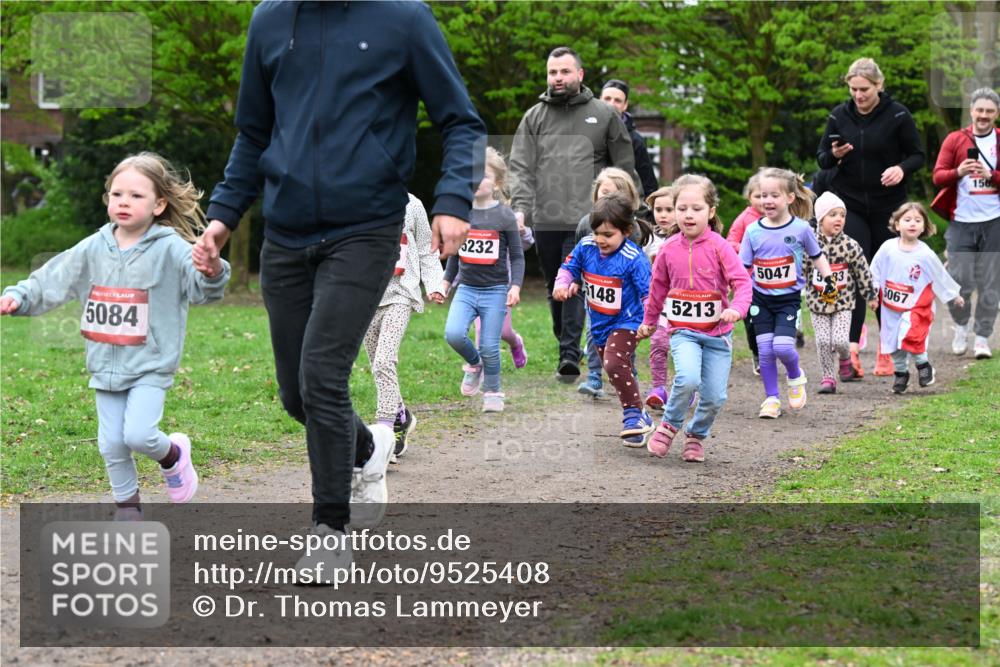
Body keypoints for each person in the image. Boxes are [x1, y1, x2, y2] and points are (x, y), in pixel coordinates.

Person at [193, 1, 485, 574]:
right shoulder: (269, 21)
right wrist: (224, 216)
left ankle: (330, 529)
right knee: (296, 394)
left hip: (366, 228)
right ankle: (369, 448)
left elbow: (460, 120)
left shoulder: (404, 19)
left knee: (322, 375)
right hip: (287, 231)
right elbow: (254, 132)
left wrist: (452, 201)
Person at [1, 153, 230, 517]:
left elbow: (203, 288)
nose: (123, 201)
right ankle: (129, 511)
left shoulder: (170, 247)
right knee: (111, 445)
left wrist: (212, 269)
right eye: (116, 193)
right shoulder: (95, 246)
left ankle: (173, 454)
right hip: (104, 365)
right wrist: (20, 295)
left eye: (136, 196)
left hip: (150, 364)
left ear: (159, 204)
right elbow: (54, 277)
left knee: (138, 435)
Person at [509, 46, 637, 384]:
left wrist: (628, 211)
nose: (558, 78)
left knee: (575, 282)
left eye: (565, 72)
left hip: (589, 218)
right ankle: (567, 341)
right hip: (546, 216)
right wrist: (520, 209)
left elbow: (624, 167)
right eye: (553, 72)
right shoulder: (534, 117)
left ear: (580, 74)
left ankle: (568, 355)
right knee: (556, 285)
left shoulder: (603, 115)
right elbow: (520, 168)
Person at [816, 57, 925, 378]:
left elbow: (917, 155)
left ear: (879, 85)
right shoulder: (839, 115)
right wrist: (833, 156)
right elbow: (821, 159)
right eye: (853, 89)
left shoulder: (898, 114)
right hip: (849, 204)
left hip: (889, 206)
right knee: (855, 271)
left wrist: (901, 169)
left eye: (864, 89)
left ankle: (888, 349)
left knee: (886, 277)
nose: (858, 95)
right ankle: (851, 352)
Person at [638, 174, 752, 462]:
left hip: (718, 335)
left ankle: (696, 435)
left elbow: (742, 283)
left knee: (715, 397)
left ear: (711, 212)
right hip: (684, 331)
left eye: (697, 209)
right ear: (675, 210)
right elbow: (657, 288)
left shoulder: (719, 246)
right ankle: (668, 426)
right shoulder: (668, 249)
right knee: (687, 378)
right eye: (683, 208)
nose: (689, 215)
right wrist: (650, 320)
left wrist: (736, 309)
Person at [553, 192, 653, 447]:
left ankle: (631, 416)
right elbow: (569, 268)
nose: (600, 239)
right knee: (619, 370)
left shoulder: (634, 259)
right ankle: (641, 417)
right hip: (599, 322)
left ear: (626, 231)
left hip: (628, 321)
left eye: (608, 235)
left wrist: (649, 321)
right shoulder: (587, 246)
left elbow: (647, 294)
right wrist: (563, 284)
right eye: (597, 233)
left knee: (612, 363)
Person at [740, 168, 838, 419]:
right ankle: (771, 398)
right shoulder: (752, 231)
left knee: (783, 346)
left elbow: (817, 256)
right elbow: (743, 268)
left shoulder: (802, 228)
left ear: (790, 198)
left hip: (788, 300)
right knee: (764, 350)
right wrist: (734, 292)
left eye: (774, 195)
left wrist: (829, 279)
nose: (768, 201)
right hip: (759, 298)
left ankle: (795, 375)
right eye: (763, 195)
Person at [363, 193, 445, 464]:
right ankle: (402, 416)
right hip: (365, 298)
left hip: (401, 294)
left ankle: (384, 435)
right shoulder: (351, 198)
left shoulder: (412, 205)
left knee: (384, 362)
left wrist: (434, 284)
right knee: (376, 362)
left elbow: (425, 249)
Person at [442, 147, 524, 413]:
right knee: (453, 334)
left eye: (483, 175)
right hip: (466, 289)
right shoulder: (461, 213)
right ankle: (473, 363)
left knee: (490, 345)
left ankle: (493, 390)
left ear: (497, 182)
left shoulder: (504, 215)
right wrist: (445, 283)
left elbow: (517, 256)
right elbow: (455, 253)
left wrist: (515, 286)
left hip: (495, 290)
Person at [931, 87, 1000, 360]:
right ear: (972, 111)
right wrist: (958, 171)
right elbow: (938, 176)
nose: (984, 116)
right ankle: (961, 326)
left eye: (989, 111)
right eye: (979, 110)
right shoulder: (955, 140)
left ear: (996, 114)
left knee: (991, 282)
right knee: (959, 280)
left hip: (994, 222)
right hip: (961, 222)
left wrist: (991, 175)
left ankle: (982, 338)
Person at [870, 203, 964, 394]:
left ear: (923, 227)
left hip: (917, 306)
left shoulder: (925, 253)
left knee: (911, 335)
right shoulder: (887, 248)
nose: (912, 223)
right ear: (897, 225)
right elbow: (875, 271)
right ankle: (901, 373)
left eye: (917, 220)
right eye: (907, 219)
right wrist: (872, 294)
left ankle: (923, 365)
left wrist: (954, 295)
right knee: (894, 341)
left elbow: (939, 276)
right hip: (890, 306)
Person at [573, 167, 644, 399]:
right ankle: (594, 376)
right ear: (595, 195)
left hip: (625, 298)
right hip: (595, 291)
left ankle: (628, 369)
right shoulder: (585, 223)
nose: (608, 200)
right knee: (594, 333)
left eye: (616, 196)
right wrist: (574, 279)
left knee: (624, 334)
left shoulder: (632, 228)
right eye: (604, 193)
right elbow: (578, 254)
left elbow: (637, 262)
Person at [803, 192, 878, 394]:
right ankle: (828, 377)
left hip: (843, 302)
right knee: (823, 341)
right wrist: (791, 292)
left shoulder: (850, 245)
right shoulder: (809, 245)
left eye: (842, 215)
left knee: (840, 340)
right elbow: (800, 270)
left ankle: (845, 359)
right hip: (817, 303)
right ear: (820, 219)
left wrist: (870, 294)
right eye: (833, 214)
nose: (839, 219)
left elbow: (863, 271)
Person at [642, 185, 678, 409]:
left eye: (669, 209)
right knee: (658, 341)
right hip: (660, 302)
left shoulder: (689, 238)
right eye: (658, 209)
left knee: (684, 349)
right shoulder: (648, 239)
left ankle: (688, 389)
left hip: (687, 304)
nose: (663, 215)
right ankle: (658, 388)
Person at [726, 172, 764, 374]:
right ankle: (757, 353)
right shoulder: (744, 219)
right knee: (752, 321)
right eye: (757, 196)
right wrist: (744, 247)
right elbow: (730, 242)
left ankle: (772, 348)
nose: (763, 200)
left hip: (774, 281)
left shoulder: (780, 218)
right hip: (748, 279)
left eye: (767, 195)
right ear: (749, 197)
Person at [600, 79, 659, 197]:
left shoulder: (635, 141)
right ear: (599, 100)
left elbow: (648, 184)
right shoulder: (588, 133)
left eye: (617, 100)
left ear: (625, 105)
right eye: (607, 98)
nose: (611, 104)